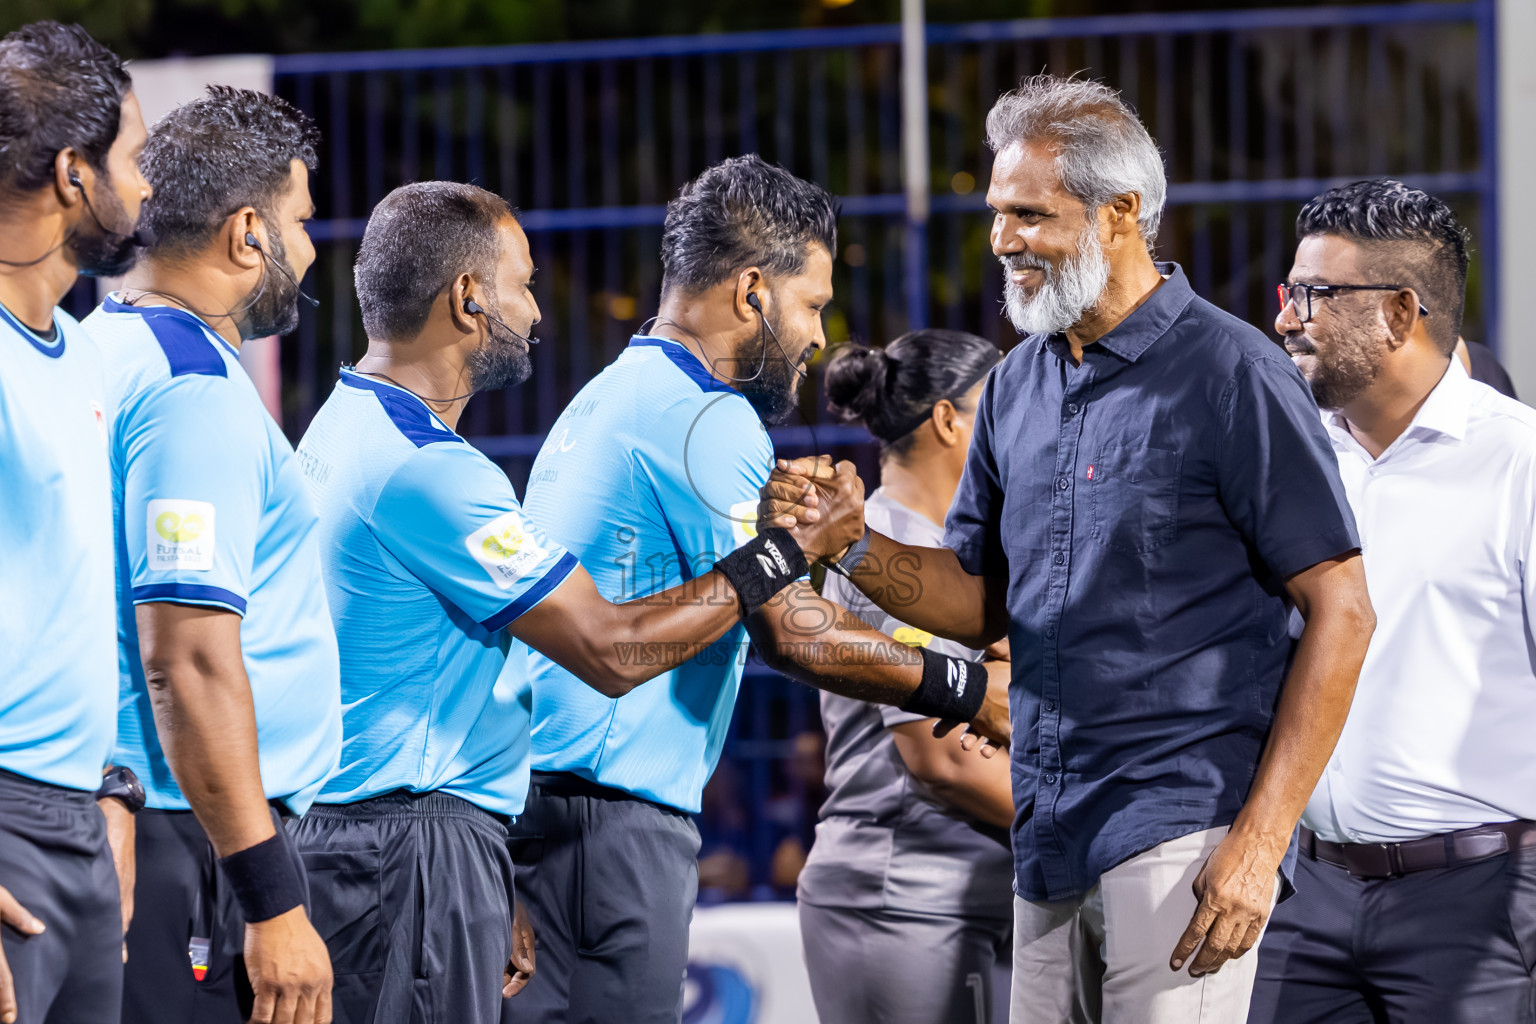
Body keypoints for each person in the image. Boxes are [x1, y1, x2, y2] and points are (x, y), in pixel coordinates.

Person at [762, 74, 1378, 1023]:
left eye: (1029, 214)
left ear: (1122, 213)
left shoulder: (1234, 372)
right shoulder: (1015, 385)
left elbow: (1343, 608)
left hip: (1184, 829)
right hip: (1046, 837)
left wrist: (1261, 842)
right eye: (996, 213)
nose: (1003, 239)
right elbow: (976, 598)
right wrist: (847, 544)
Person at [290, 180, 864, 1024]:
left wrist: (489, 873)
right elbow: (610, 650)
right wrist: (791, 551)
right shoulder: (430, 471)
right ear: (469, 297)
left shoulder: (341, 430)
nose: (537, 311)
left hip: (410, 833)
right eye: (523, 284)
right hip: (410, 846)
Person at [508, 154, 1010, 1024]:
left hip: (551, 805)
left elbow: (767, 582)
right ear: (751, 291)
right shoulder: (709, 414)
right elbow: (795, 633)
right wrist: (968, 690)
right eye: (811, 303)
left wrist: (826, 546)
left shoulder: (618, 393)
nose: (819, 336)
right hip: (606, 823)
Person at [1247, 179, 1536, 1023]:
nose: (1285, 318)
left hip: (1476, 901)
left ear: (1400, 313)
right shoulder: (1289, 454)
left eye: (1312, 294)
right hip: (1301, 892)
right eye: (1286, 291)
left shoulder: (1519, 462)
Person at [81, 86, 340, 1024]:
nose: (309, 249)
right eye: (301, 222)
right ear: (247, 235)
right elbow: (185, 655)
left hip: (143, 813)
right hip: (181, 834)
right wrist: (272, 896)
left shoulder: (94, 347)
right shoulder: (193, 390)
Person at [797, 330, 1017, 1024]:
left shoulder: (942, 548)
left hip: (947, 888)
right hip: (902, 891)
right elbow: (942, 756)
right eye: (1003, 407)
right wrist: (1097, 830)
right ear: (950, 420)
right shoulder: (903, 550)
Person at [0, 21, 151, 1024]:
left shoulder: (81, 354)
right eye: (132, 160)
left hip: (79, 822)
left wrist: (113, 784)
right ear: (71, 174)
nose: (146, 188)